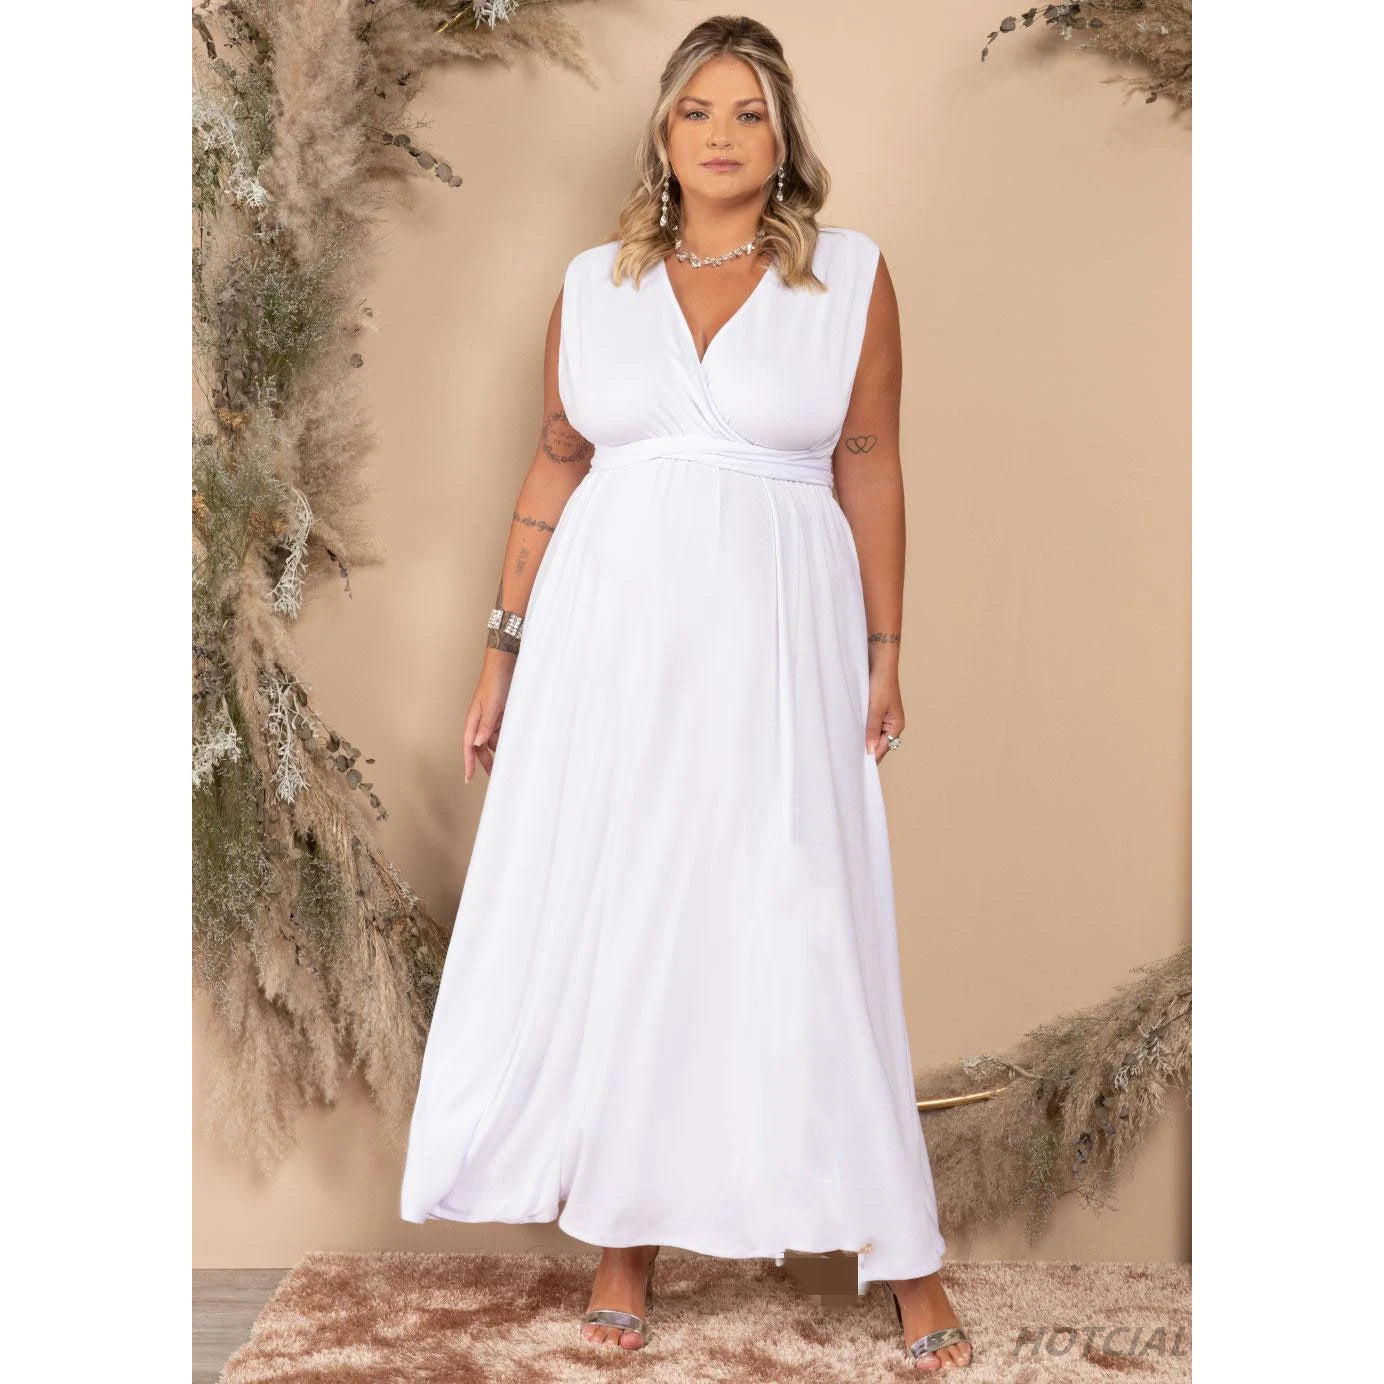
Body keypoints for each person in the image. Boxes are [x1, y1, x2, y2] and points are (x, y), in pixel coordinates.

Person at [399, 15, 973, 1374]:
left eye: (748, 113)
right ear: (662, 135)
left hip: (780, 640)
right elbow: (554, 465)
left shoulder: (850, 276)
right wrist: (500, 652)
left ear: (784, 139)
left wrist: (887, 647)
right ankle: (624, 1239)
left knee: (803, 911)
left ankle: (904, 1254)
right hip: (608, 648)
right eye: (697, 111)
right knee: (630, 914)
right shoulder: (592, 285)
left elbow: (872, 462)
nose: (721, 135)